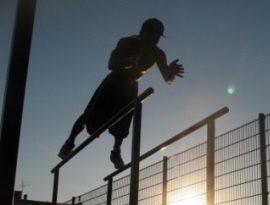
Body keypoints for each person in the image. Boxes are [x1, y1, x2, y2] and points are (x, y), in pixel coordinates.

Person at [58, 18, 184, 168]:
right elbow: (111, 64)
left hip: (130, 86)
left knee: (123, 123)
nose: (154, 40)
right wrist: (130, 61)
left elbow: (167, 79)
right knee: (89, 116)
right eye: (151, 36)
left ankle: (116, 151)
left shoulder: (158, 53)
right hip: (113, 82)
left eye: (157, 38)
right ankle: (69, 142)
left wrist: (172, 72)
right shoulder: (126, 42)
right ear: (143, 32)